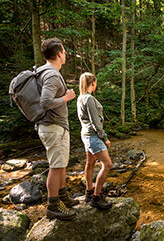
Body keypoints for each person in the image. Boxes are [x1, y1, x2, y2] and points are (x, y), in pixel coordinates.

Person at [37, 37, 79, 220]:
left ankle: (62, 197)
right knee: (56, 166)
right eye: (64, 51)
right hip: (53, 126)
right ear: (59, 54)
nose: (66, 54)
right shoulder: (52, 74)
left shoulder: (43, 71)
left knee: (61, 163)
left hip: (53, 126)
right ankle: (53, 206)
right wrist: (66, 98)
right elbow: (45, 102)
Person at [77, 72, 113, 209]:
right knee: (108, 164)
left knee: (90, 163)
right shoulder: (89, 99)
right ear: (93, 83)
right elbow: (95, 122)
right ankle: (96, 197)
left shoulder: (80, 98)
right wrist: (105, 138)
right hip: (93, 136)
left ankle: (88, 191)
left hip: (85, 135)